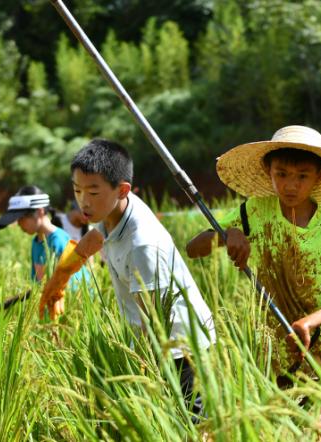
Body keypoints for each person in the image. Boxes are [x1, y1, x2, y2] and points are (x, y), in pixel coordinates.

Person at [38, 139, 216, 419]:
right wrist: (58, 280)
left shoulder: (142, 244)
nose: (83, 201)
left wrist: (135, 375)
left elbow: (155, 321)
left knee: (191, 425)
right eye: (77, 190)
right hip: (155, 339)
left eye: (93, 192)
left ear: (121, 190)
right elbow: (94, 239)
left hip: (180, 347)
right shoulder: (112, 210)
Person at [187, 125, 321, 390]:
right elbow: (193, 249)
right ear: (268, 171)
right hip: (273, 357)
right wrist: (228, 234)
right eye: (281, 174)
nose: (290, 185)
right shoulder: (255, 212)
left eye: (302, 176)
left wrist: (307, 322)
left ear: (319, 176)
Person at [0, 186, 90, 287]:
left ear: (40, 211)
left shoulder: (58, 241)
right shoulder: (36, 242)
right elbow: (38, 283)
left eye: (21, 218)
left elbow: (68, 286)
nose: (18, 223)